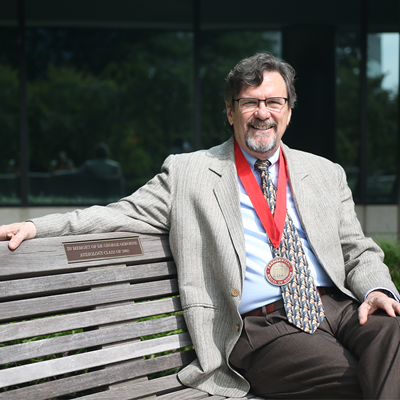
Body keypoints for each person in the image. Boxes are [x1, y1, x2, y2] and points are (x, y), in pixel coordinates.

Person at [1, 53, 399, 399]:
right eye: (250, 102)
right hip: (261, 327)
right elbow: (118, 212)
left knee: (394, 337)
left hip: (340, 308)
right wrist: (37, 227)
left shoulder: (325, 173)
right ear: (230, 111)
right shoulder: (188, 173)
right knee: (360, 381)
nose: (263, 113)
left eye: (274, 102)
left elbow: (357, 249)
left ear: (289, 111)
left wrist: (378, 288)